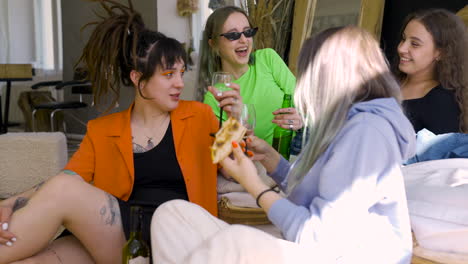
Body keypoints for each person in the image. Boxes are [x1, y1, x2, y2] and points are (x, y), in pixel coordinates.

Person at [151, 26, 416, 264]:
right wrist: (271, 159)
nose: (304, 83)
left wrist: (253, 184)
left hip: (336, 255)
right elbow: (316, 192)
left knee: (236, 241)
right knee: (172, 215)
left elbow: (319, 237)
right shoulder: (346, 123)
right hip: (304, 243)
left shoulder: (367, 132)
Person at [0, 1, 218, 263]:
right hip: (117, 233)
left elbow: (239, 156)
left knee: (64, 189)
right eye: (169, 74)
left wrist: (238, 120)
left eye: (181, 72)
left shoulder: (200, 116)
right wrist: (12, 201)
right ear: (138, 78)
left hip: (172, 235)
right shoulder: (103, 130)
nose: (180, 83)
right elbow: (68, 177)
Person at [197, 5, 303, 147]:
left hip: (297, 147)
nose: (244, 40)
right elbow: (221, 151)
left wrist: (300, 119)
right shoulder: (215, 97)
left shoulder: (267, 58)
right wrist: (237, 121)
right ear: (214, 44)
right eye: (233, 35)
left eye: (247, 32)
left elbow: (304, 103)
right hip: (259, 163)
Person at [395, 8, 468, 134]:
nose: (401, 48)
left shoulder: (442, 103)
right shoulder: (387, 81)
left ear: (441, 52)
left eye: (415, 44)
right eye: (403, 39)